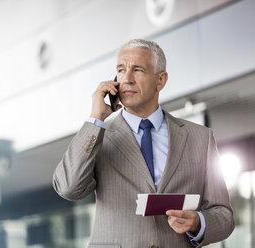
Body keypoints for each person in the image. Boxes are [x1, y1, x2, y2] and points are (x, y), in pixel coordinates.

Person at [52, 39, 234, 248]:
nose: (127, 79)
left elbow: (224, 216)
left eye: (137, 70)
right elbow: (68, 188)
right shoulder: (98, 136)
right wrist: (95, 119)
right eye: (121, 70)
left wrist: (198, 222)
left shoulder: (200, 138)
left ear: (161, 80)